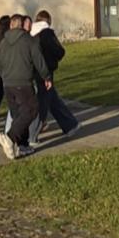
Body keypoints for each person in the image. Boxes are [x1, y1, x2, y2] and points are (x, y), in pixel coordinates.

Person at [0, 14, 51, 159]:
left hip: (8, 83)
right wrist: (46, 76)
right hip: (23, 82)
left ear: (11, 25)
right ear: (21, 25)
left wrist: (4, 75)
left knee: (18, 114)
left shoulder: (3, 42)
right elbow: (38, 60)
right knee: (31, 110)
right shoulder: (29, 40)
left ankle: (22, 145)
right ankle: (10, 137)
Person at [29, 11, 79, 143]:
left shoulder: (30, 32)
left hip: (33, 70)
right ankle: (32, 134)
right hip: (46, 70)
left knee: (51, 99)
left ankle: (69, 124)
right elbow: (59, 51)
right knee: (44, 102)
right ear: (48, 21)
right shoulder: (47, 33)